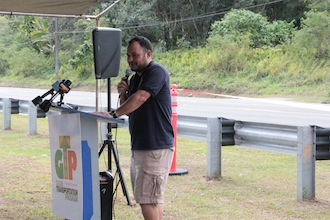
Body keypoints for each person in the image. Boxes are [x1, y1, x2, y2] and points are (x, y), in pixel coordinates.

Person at [97, 36, 174, 220]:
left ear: (148, 54)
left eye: (135, 55)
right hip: (141, 145)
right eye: (128, 56)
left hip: (155, 146)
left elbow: (140, 98)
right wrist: (123, 92)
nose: (130, 60)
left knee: (148, 200)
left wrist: (114, 114)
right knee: (150, 198)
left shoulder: (157, 72)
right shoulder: (136, 78)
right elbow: (131, 109)